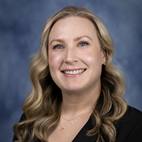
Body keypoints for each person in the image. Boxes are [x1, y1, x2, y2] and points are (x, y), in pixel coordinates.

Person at [13, 6, 142, 142]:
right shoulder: (29, 123)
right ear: (47, 58)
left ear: (103, 54)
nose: (69, 58)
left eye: (82, 44)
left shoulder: (135, 127)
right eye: (58, 46)